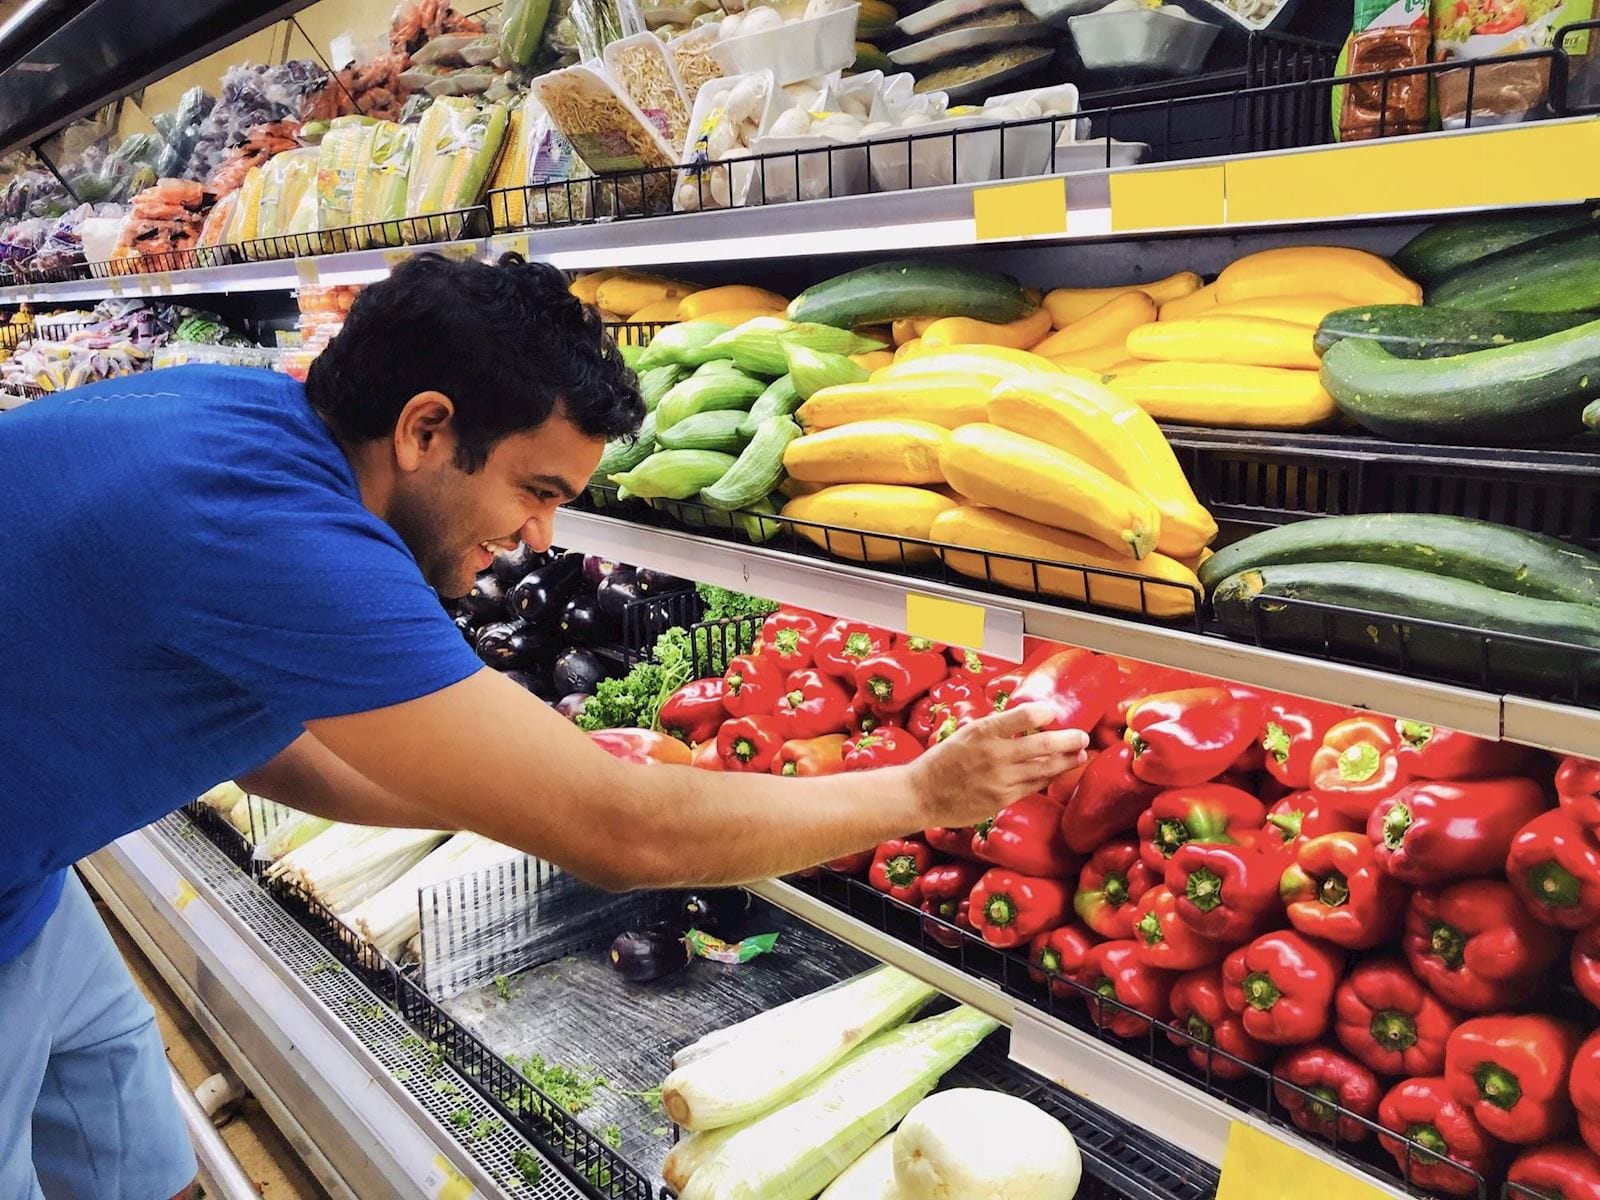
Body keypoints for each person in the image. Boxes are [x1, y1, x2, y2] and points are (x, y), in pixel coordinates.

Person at [0, 253, 1088, 1199]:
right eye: (536, 487)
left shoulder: (243, 425)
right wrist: (922, 795)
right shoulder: (276, 530)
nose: (537, 536)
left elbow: (277, 748)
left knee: (104, 1070)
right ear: (427, 428)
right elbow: (631, 838)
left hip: (27, 870)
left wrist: (511, 778)